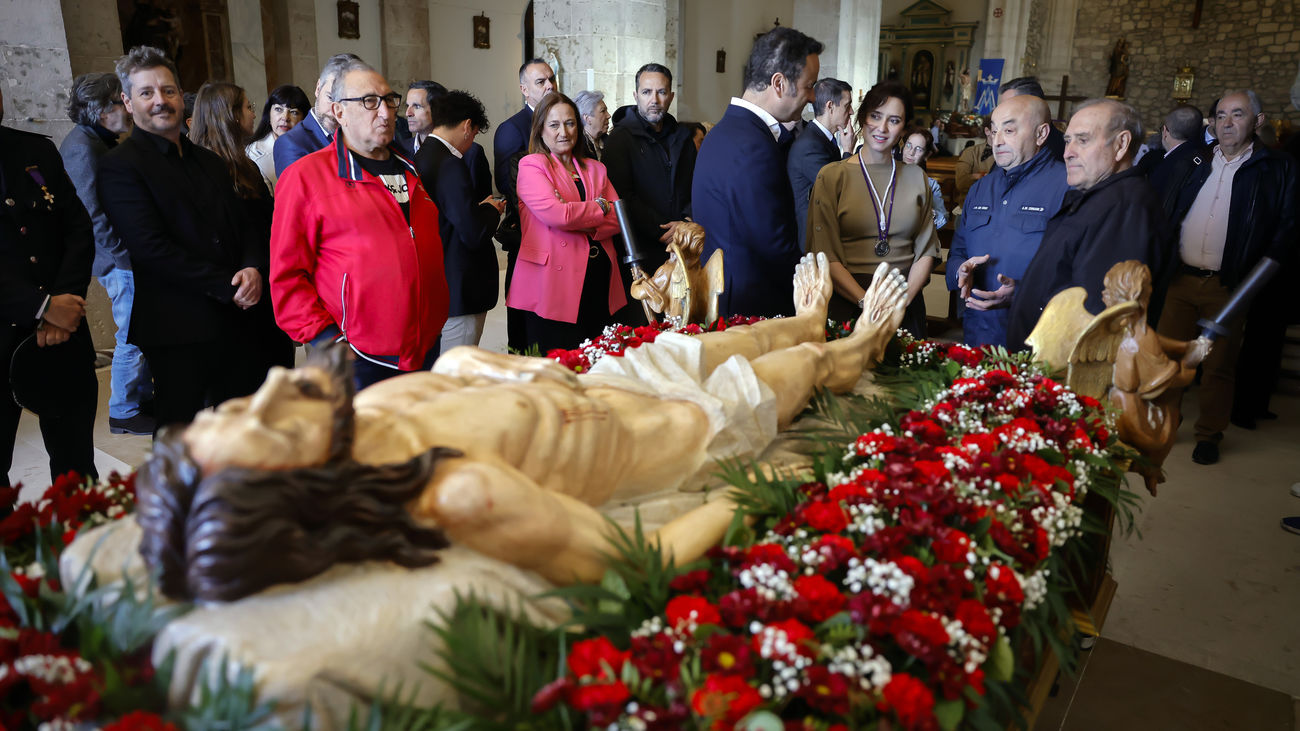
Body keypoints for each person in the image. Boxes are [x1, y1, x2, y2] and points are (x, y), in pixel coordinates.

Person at [136, 251, 911, 602]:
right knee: (802, 371)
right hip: (681, 433)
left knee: (742, 337)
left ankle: (807, 316)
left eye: (238, 405)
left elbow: (456, 369)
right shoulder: (459, 493)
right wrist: (754, 494)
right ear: (311, 489)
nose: (274, 384)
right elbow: (632, 555)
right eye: (273, 429)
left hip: (609, 381)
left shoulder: (356, 410)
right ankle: (859, 342)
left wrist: (503, 368)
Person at [99, 46, 267, 429]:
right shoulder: (119, 167)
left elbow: (243, 225)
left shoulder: (209, 161)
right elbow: (151, 249)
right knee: (181, 438)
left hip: (237, 316)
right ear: (128, 102)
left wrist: (253, 267)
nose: (160, 101)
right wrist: (230, 286)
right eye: (147, 93)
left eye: (168, 90)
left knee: (242, 428)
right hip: (178, 324)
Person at [271, 59, 449, 391]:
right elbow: (287, 276)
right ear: (339, 112)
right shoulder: (306, 177)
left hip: (423, 349)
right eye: (369, 102)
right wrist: (328, 339)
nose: (384, 112)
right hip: (357, 357)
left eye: (389, 100)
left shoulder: (410, 170)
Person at [1156, 89, 1297, 465]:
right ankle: (1167, 422)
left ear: (1258, 121)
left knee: (1218, 366)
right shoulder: (1194, 160)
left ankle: (1209, 434)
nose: (1227, 123)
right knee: (1171, 360)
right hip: (1180, 280)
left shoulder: (1276, 168)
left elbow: (1286, 227)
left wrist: (1262, 271)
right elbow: (1165, 207)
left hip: (1229, 285)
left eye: (1238, 114)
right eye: (1220, 115)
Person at [1006, 98, 1168, 351]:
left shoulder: (1125, 207)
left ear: (1121, 144)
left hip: (1060, 368)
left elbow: (1096, 312)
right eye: (1068, 140)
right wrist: (1024, 291)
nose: (1068, 152)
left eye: (1082, 140)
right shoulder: (1100, 196)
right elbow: (1069, 275)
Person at [1, 85, 99, 487]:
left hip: (64, 339)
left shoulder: (34, 151)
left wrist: (64, 307)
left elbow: (77, 229)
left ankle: (88, 548)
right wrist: (41, 307)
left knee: (76, 469)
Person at [693, 26, 824, 318]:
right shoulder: (752, 145)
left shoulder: (725, 131)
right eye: (809, 85)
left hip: (728, 296)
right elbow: (773, 245)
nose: (813, 96)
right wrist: (814, 289)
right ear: (778, 83)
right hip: (752, 308)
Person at [59, 72, 155, 436]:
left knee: (140, 331)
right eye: (121, 101)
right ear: (102, 111)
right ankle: (124, 410)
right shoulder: (83, 147)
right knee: (130, 334)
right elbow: (91, 213)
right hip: (118, 261)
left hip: (126, 258)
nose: (128, 109)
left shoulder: (99, 140)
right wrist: (121, 255)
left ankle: (141, 399)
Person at [806, 81, 940, 334]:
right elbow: (825, 253)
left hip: (903, 298)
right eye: (876, 116)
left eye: (894, 120)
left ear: (903, 128)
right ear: (862, 117)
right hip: (848, 300)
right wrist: (867, 303)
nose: (882, 128)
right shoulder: (832, 176)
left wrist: (903, 300)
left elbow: (926, 250)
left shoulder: (916, 177)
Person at [189, 81, 295, 391]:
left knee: (273, 379)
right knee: (243, 385)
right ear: (231, 116)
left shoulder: (244, 164)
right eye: (248, 107)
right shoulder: (201, 169)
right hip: (234, 292)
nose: (253, 114)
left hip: (263, 278)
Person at [945, 94, 1069, 348]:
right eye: (994, 131)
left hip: (1037, 338)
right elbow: (957, 251)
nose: (997, 141)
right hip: (978, 334)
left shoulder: (1067, 186)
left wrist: (1023, 293)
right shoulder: (981, 188)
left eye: (1009, 130)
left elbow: (1076, 270)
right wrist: (960, 271)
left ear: (1041, 133)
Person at [507, 93, 627, 352]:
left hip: (598, 280)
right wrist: (598, 207)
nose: (563, 131)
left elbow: (617, 218)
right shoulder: (532, 166)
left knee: (599, 364)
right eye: (554, 125)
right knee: (558, 368)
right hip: (552, 283)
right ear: (540, 130)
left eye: (570, 123)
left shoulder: (595, 168)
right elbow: (556, 215)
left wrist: (579, 214)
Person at [414, 90, 504, 350]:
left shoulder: (422, 156)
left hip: (438, 278)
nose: (472, 140)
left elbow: (447, 213)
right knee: (457, 368)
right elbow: (473, 232)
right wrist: (491, 210)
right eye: (475, 133)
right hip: (459, 283)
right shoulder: (450, 163)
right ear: (467, 126)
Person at [603, 63, 698, 274]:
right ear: (636, 96)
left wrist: (686, 222)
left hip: (683, 242)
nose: (654, 100)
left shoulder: (682, 136)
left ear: (671, 96)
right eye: (647, 92)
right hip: (640, 246)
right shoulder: (619, 139)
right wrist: (661, 229)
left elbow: (696, 184)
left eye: (661, 92)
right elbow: (621, 195)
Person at [494, 59, 557, 352]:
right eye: (540, 82)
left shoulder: (558, 122)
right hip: (529, 229)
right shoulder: (513, 128)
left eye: (551, 79)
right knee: (525, 304)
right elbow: (510, 184)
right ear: (524, 89)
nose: (549, 86)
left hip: (560, 230)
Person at [787, 77, 853, 250]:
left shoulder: (822, 139)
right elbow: (838, 190)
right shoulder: (810, 144)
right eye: (847, 106)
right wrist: (847, 151)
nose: (852, 112)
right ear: (830, 106)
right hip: (810, 242)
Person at [402, 80, 492, 202]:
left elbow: (482, 203)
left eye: (417, 106)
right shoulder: (400, 149)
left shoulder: (472, 153)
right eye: (407, 106)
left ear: (438, 110)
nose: (408, 113)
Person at [273, 53, 359, 176]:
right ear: (318, 88)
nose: (336, 110)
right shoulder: (290, 143)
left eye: (345, 101)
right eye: (330, 97)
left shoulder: (362, 136)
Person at [244, 84, 310, 195]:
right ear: (268, 115)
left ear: (303, 118)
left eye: (294, 112)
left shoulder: (314, 147)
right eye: (278, 109)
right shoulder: (254, 153)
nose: (285, 117)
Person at [998, 76, 1066, 159]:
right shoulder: (1006, 141)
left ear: (1032, 105)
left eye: (1008, 106)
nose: (1001, 112)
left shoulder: (1063, 150)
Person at [899, 127, 948, 229]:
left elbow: (943, 217)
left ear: (926, 155)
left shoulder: (930, 184)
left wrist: (929, 212)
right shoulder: (888, 176)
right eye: (908, 145)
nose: (911, 152)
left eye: (918, 149)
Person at [954, 119, 994, 202]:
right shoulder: (971, 152)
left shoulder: (1013, 154)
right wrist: (979, 176)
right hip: (973, 204)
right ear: (987, 131)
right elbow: (961, 183)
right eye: (997, 130)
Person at [574, 90, 610, 160]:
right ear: (587, 119)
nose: (609, 116)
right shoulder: (578, 147)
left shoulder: (610, 142)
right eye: (603, 111)